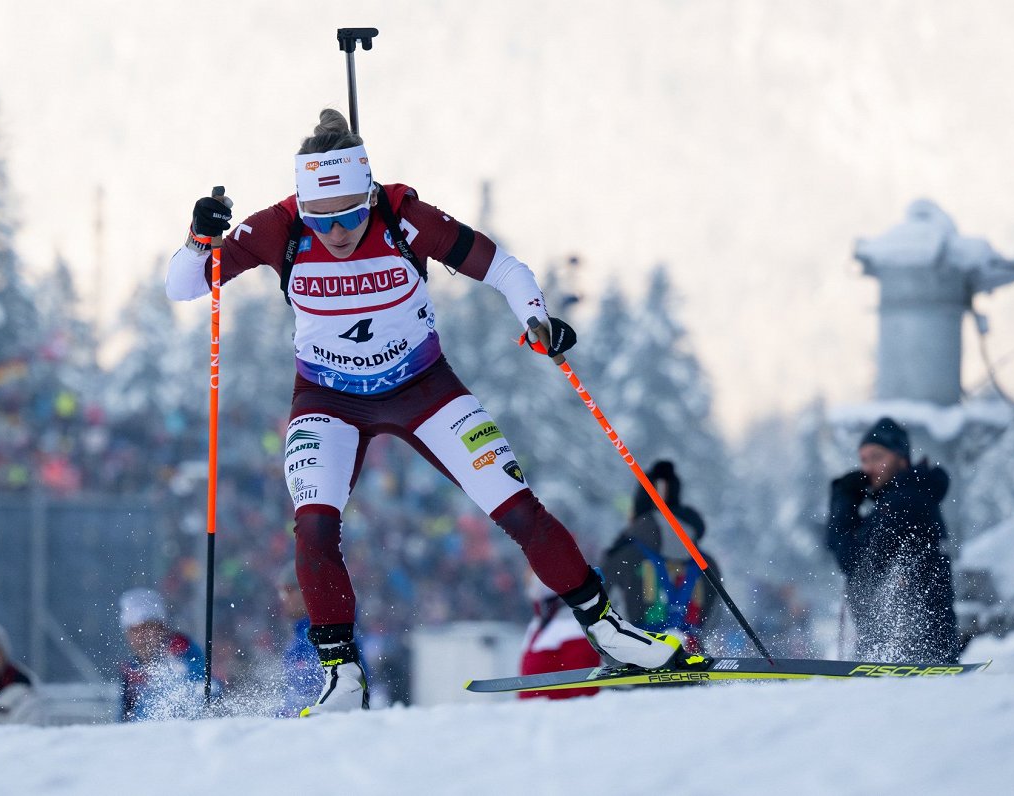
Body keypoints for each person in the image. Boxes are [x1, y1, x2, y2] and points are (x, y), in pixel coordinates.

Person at [166, 108, 708, 715]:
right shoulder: (280, 227)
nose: (337, 233)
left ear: (369, 193)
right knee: (315, 526)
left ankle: (609, 633)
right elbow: (185, 284)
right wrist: (198, 238)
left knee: (517, 508)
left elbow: (503, 267)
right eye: (322, 220)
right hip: (327, 398)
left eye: (350, 214)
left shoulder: (402, 216)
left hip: (424, 387)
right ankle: (342, 675)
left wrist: (537, 318)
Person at [826, 417, 958, 663]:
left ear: (901, 458)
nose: (867, 468)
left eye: (876, 457)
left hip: (909, 657)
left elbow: (854, 561)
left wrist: (843, 499)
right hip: (914, 654)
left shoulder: (903, 502)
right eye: (863, 460)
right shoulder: (911, 497)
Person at [600, 460, 718, 653]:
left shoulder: (622, 555)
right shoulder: (707, 563)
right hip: (692, 663)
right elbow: (712, 619)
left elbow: (599, 611)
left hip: (636, 665)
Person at [118, 587, 209, 722]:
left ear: (162, 628)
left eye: (147, 627)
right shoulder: (131, 669)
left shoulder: (184, 652)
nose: (141, 636)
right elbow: (123, 719)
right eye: (134, 630)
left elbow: (199, 690)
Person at [517, 572, 601, 700]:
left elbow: (585, 690)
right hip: (533, 716)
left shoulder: (571, 626)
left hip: (559, 715)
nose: (528, 587)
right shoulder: (536, 625)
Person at [275, 566, 324, 717]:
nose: (283, 598)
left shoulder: (329, 636)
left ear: (307, 590)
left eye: (288, 590)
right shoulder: (296, 641)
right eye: (281, 592)